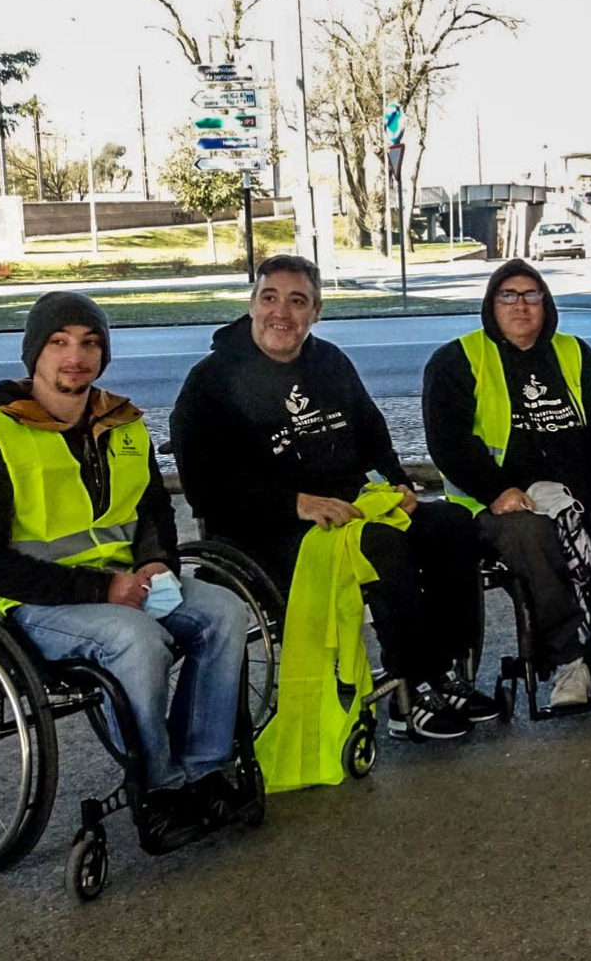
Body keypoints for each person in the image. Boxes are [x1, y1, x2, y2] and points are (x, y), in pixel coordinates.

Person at [0, 292, 250, 849]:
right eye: (58, 343)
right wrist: (101, 588)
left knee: (226, 611)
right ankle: (159, 790)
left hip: (124, 582)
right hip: (34, 604)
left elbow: (152, 510)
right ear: (34, 354)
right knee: (135, 639)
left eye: (89, 343)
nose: (75, 356)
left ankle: (206, 770)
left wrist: (157, 559)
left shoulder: (124, 423)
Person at [171, 255, 495, 741]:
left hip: (351, 511)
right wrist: (295, 503)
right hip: (264, 531)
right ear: (252, 305)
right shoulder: (211, 382)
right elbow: (204, 486)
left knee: (451, 525)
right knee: (384, 548)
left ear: (316, 312)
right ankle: (411, 691)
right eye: (270, 298)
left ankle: (443, 671)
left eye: (297, 301)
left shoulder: (330, 363)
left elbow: (373, 435)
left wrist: (398, 483)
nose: (282, 312)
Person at [422, 259, 591, 708]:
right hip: (496, 500)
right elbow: (447, 442)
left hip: (577, 491)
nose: (521, 306)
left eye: (531, 295)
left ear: (546, 304)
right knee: (532, 537)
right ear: (491, 305)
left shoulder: (574, 352)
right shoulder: (457, 360)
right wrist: (496, 491)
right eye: (508, 296)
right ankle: (566, 661)